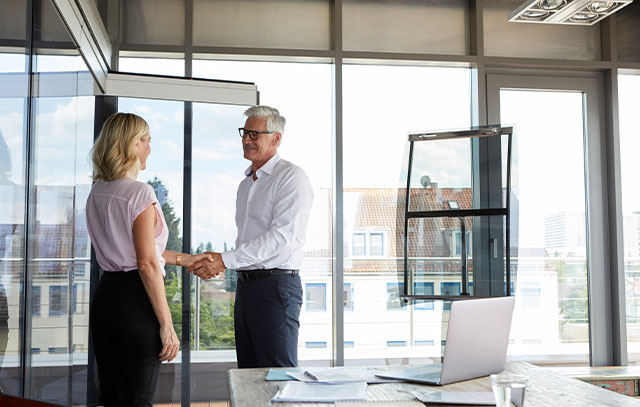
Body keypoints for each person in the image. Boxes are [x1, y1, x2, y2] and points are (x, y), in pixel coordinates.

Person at [86, 113, 215, 406]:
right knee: (137, 398)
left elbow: (134, 251)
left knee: (112, 395)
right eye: (145, 140)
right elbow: (145, 263)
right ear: (131, 145)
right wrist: (167, 326)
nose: (149, 148)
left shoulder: (98, 191)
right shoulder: (139, 193)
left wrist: (185, 259)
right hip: (137, 301)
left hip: (107, 299)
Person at [188, 105, 313, 368]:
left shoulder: (291, 177)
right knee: (249, 370)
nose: (246, 140)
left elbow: (282, 238)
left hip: (276, 287)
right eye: (245, 133)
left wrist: (224, 260)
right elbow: (247, 241)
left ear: (276, 138)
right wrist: (222, 262)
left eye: (254, 134)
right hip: (246, 287)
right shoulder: (246, 184)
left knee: (278, 374)